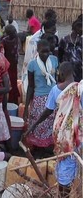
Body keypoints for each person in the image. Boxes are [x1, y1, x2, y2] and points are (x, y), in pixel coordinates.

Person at [23, 62, 82, 197]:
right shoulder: (80, 89)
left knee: (65, 166)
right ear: (72, 73)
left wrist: (32, 126)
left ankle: (63, 195)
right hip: (79, 135)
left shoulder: (56, 90)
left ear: (61, 74)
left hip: (63, 136)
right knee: (77, 164)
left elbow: (47, 112)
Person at [23, 39, 58, 151]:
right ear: (37, 51)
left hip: (53, 97)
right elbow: (31, 86)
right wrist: (26, 107)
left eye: (47, 52)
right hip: (39, 99)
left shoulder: (54, 60)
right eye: (43, 52)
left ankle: (49, 149)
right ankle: (38, 150)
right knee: (38, 125)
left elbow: (58, 80)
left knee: (51, 124)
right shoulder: (32, 65)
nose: (45, 54)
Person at [21, 19, 57, 97]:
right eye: (52, 30)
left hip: (51, 95)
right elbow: (31, 85)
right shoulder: (35, 40)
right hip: (38, 94)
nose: (54, 32)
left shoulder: (54, 60)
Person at [1, 25, 20, 104]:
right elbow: (2, 53)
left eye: (15, 31)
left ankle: (14, 98)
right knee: (9, 81)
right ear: (8, 34)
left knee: (14, 80)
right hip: (8, 65)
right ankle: (10, 99)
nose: (15, 33)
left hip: (14, 64)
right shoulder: (4, 41)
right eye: (13, 32)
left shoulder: (16, 38)